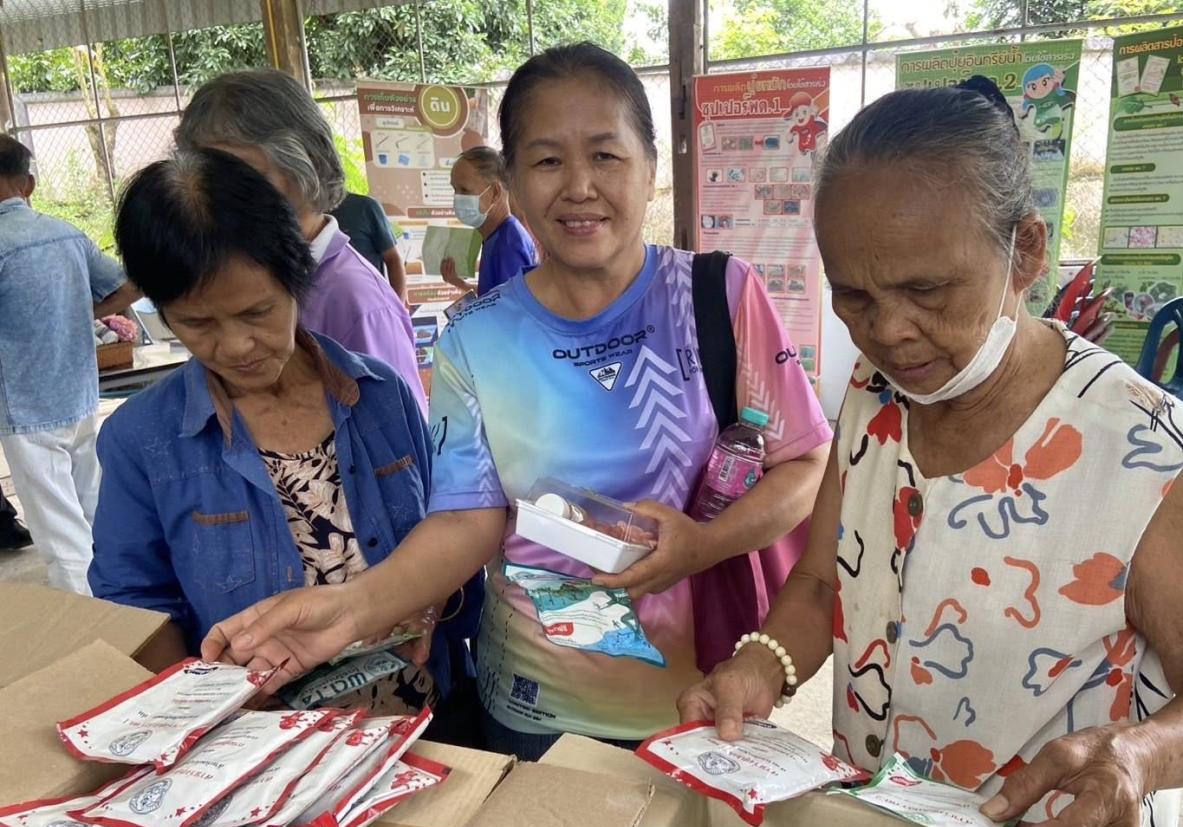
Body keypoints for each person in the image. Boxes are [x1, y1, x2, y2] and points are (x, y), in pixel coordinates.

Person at [679, 78, 1183, 827]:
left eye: (926, 290)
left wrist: (1138, 757)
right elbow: (826, 582)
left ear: (1025, 251)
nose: (888, 331)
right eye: (853, 296)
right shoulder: (874, 393)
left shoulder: (1144, 449)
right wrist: (760, 664)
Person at [201, 43, 832, 761]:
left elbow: (805, 465)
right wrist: (349, 611)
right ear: (515, 184)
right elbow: (467, 518)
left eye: (605, 155)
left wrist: (704, 546)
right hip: (535, 708)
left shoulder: (720, 294)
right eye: (548, 160)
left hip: (701, 696)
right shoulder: (475, 337)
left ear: (650, 167)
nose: (580, 187)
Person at [89, 148, 477, 731]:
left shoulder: (381, 396)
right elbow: (134, 608)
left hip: (428, 717)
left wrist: (423, 601)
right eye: (197, 323)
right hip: (265, 743)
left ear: (297, 278)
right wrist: (214, 701)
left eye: (257, 312)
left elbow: (451, 527)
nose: (236, 346)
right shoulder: (142, 440)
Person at [175, 70, 428, 417]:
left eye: (246, 178)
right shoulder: (243, 275)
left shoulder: (354, 300)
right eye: (210, 179)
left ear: (302, 165)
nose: (224, 197)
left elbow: (400, 433)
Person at [0, 134, 136, 593]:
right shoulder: (66, 233)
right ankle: (128, 601)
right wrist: (85, 312)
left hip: (24, 408)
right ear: (28, 185)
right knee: (95, 509)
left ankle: (95, 623)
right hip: (79, 396)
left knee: (60, 533)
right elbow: (130, 285)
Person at [441, 146, 538, 297]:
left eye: (465, 190)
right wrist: (458, 282)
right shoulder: (496, 236)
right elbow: (494, 293)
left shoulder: (507, 244)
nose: (457, 198)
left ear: (495, 192)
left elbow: (511, 307)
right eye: (455, 189)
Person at [331, 190, 408, 306]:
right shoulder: (307, 214)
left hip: (372, 304)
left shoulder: (365, 206)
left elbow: (393, 259)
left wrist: (398, 310)